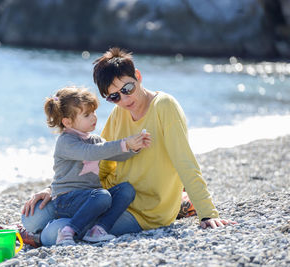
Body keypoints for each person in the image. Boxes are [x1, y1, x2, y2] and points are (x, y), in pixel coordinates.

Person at [21, 47, 236, 247]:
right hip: (108, 197)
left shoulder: (165, 107)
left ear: (138, 77)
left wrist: (208, 214)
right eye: (114, 96)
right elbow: (99, 160)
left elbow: (185, 161)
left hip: (144, 210)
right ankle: (42, 228)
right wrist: (55, 190)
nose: (124, 99)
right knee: (33, 216)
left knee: (53, 233)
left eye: (128, 88)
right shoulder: (119, 112)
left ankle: (42, 236)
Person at [43, 86, 150, 245]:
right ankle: (68, 231)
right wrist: (124, 143)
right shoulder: (66, 141)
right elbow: (90, 152)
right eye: (87, 115)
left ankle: (98, 230)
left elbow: (113, 153)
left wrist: (134, 147)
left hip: (91, 197)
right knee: (102, 196)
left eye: (94, 112)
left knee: (126, 190)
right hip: (66, 200)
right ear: (67, 122)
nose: (94, 117)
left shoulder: (94, 139)